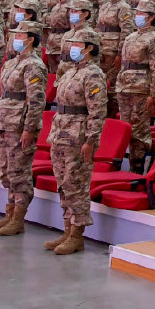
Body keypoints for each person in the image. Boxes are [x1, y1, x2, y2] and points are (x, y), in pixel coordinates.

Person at [45, 30, 106, 255]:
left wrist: (91, 140)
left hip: (78, 135)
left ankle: (77, 235)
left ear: (89, 47)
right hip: (61, 131)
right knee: (63, 183)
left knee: (76, 184)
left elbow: (97, 111)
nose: (71, 47)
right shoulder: (71, 71)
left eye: (76, 43)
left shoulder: (93, 74)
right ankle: (67, 229)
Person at [0, 22, 47, 236]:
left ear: (31, 38)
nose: (16, 39)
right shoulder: (12, 63)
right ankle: (9, 214)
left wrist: (29, 128)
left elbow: (36, 100)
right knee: (7, 170)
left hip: (20, 124)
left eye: (20, 35)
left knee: (19, 172)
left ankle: (18, 218)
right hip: (5, 121)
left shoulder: (34, 65)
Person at [116, 0, 155, 171]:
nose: (136, 16)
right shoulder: (131, 37)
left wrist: (153, 94)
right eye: (136, 13)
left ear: (151, 17)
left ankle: (137, 168)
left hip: (141, 88)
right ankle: (126, 164)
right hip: (125, 87)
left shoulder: (154, 40)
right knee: (125, 127)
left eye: (141, 14)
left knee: (139, 129)